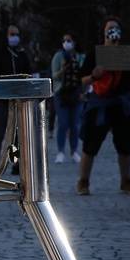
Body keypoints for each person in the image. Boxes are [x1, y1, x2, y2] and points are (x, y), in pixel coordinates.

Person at [75, 16, 130, 196]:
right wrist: (94, 76)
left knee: (125, 145)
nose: (113, 32)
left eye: (116, 29)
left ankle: (126, 181)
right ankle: (83, 181)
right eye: (110, 29)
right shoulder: (95, 54)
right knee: (90, 144)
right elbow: (81, 80)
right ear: (104, 33)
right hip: (100, 104)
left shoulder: (126, 54)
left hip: (121, 104)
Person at [0, 24, 34, 160]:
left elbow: (29, 74)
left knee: (16, 135)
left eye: (16, 34)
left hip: (18, 100)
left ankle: (15, 162)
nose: (14, 37)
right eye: (12, 34)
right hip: (0, 101)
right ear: (6, 36)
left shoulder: (22, 54)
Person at [48, 32, 84, 163]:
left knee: (75, 125)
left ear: (74, 42)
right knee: (63, 123)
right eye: (65, 41)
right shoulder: (58, 56)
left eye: (69, 40)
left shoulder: (80, 57)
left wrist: (84, 91)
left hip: (76, 93)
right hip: (61, 93)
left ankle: (74, 151)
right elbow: (54, 75)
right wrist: (62, 70)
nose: (67, 43)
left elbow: (83, 75)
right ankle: (60, 151)